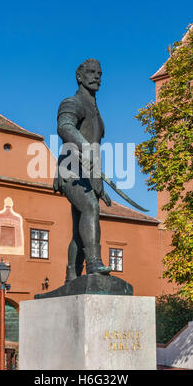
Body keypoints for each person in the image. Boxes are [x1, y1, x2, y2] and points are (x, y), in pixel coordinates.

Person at [53, 58, 112, 283]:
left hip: (87, 175)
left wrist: (98, 184)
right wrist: (84, 146)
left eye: (100, 73)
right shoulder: (72, 102)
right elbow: (65, 127)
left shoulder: (96, 111)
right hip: (71, 170)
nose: (97, 77)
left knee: (80, 231)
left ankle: (71, 274)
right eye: (91, 73)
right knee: (90, 208)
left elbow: (94, 152)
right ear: (80, 76)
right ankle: (94, 263)